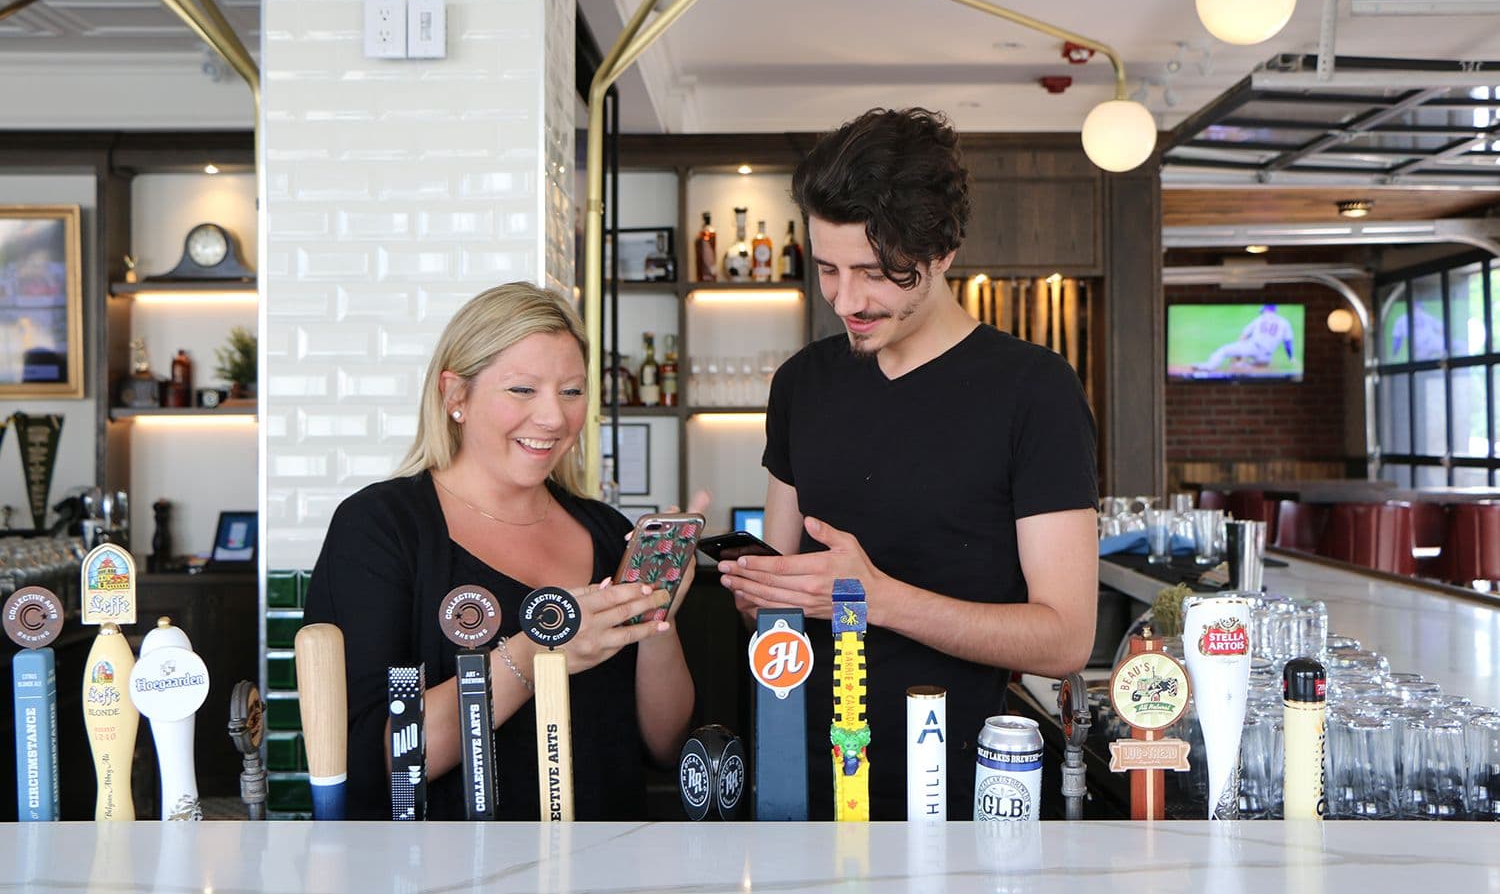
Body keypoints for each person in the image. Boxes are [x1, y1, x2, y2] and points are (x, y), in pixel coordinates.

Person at [717, 108, 1099, 819]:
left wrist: (877, 598)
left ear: (943, 252)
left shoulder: (1033, 390)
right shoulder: (800, 384)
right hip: (798, 777)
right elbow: (776, 604)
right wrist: (762, 592)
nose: (847, 299)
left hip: (961, 789)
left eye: (876, 273)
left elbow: (1065, 637)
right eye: (828, 269)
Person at [304, 282, 694, 820]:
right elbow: (380, 757)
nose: (555, 418)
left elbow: (665, 745)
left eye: (572, 391)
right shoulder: (382, 526)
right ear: (455, 396)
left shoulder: (607, 533)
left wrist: (658, 617)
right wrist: (539, 653)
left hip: (604, 863)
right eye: (523, 390)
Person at [1196, 304, 1295, 372]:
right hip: (1267, 356)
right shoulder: (1285, 322)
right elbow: (1288, 343)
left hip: (1253, 348)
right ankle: (1249, 367)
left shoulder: (1260, 319)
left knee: (1224, 350)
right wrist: (1291, 357)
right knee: (1258, 367)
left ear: (1265, 310)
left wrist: (1238, 355)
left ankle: (1209, 366)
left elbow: (1244, 336)